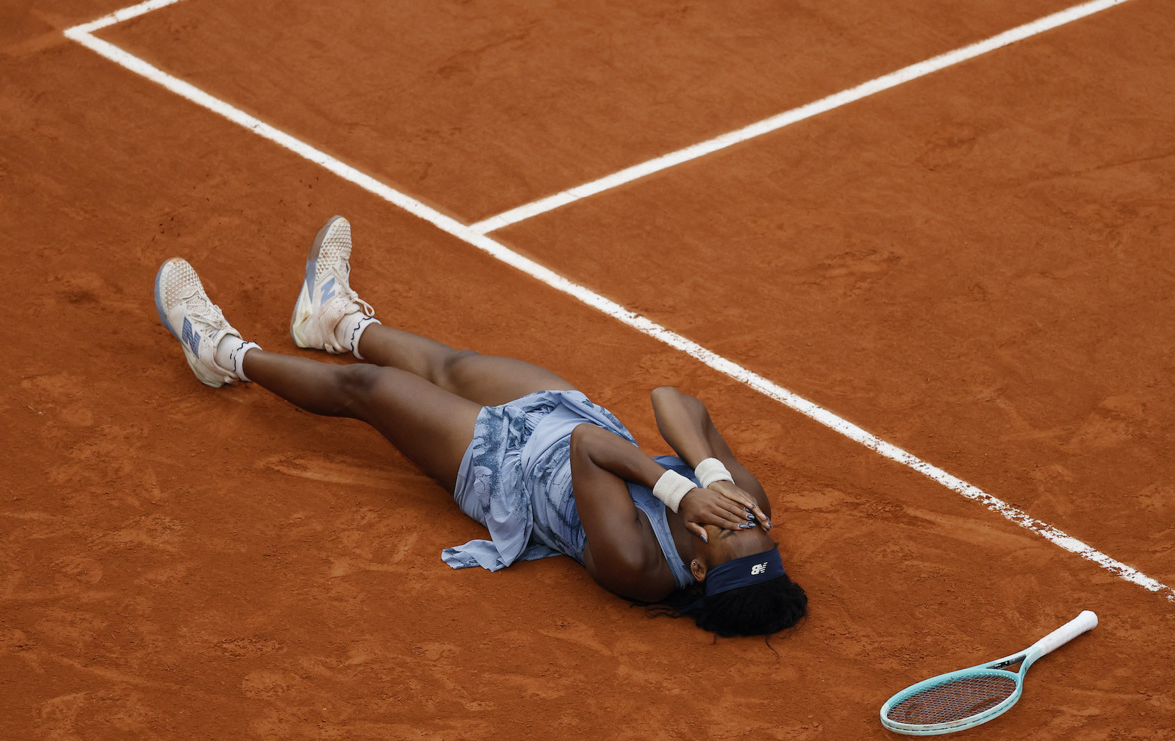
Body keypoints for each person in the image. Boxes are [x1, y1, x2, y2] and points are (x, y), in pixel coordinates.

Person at [153, 216, 807, 636]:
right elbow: (672, 399)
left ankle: (221, 354)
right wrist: (713, 472)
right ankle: (332, 322)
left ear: (696, 567)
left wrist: (679, 490)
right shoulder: (740, 501)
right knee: (450, 364)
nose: (742, 522)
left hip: (505, 473)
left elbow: (590, 453)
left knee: (371, 391)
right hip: (568, 420)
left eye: (731, 538)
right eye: (755, 531)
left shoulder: (635, 567)